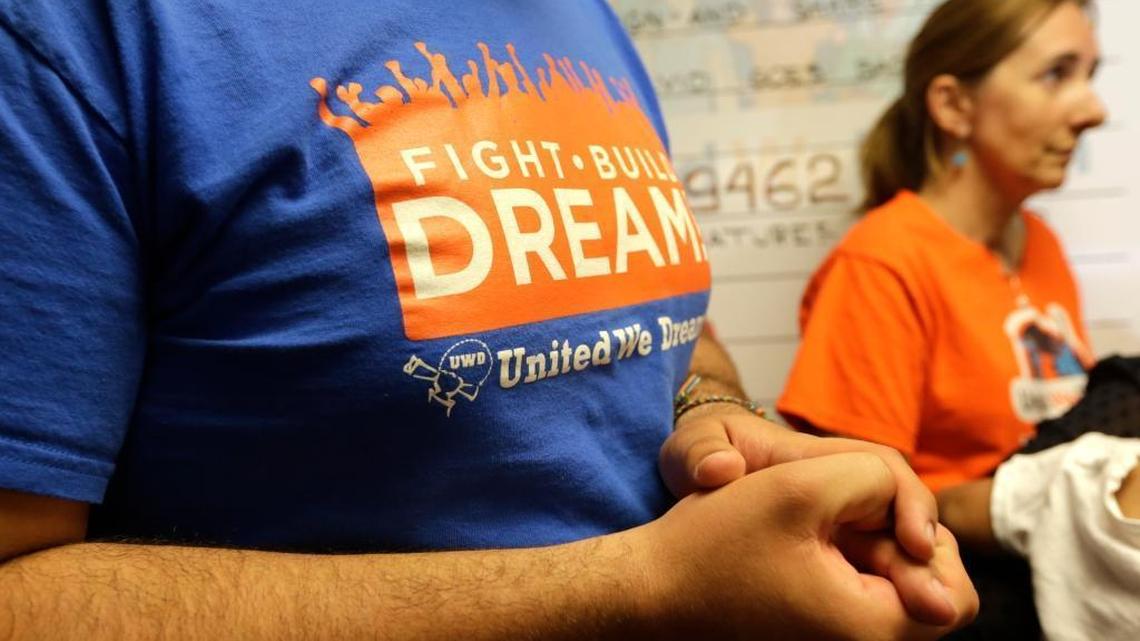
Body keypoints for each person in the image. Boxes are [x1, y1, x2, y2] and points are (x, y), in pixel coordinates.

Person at [0, 1, 978, 638]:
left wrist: (710, 410)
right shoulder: (80, 34)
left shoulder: (580, 19)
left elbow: (672, 328)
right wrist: (641, 582)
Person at [776, 0, 1134, 637]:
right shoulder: (882, 262)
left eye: (1089, 75)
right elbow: (855, 513)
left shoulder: (1040, 244)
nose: (1092, 110)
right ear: (953, 106)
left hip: (1053, 572)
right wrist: (1016, 504)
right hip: (971, 592)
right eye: (1057, 74)